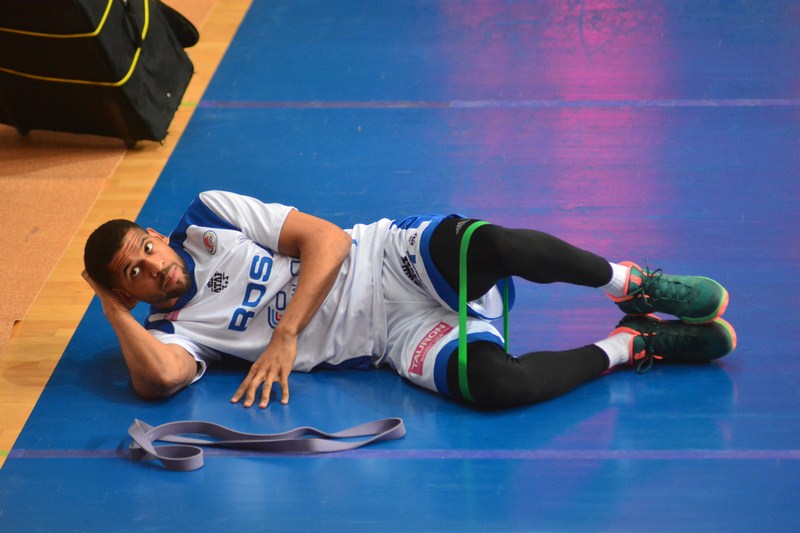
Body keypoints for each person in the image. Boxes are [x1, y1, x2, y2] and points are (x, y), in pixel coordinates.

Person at [82, 190, 736, 409]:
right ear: (125, 291)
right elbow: (160, 380)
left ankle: (630, 284)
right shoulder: (171, 330)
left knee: (494, 244)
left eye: (147, 246)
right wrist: (111, 311)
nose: (154, 265)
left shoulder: (207, 216)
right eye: (134, 273)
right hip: (388, 340)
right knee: (496, 387)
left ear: (156, 233)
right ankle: (631, 345)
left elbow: (327, 239)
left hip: (387, 261)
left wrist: (285, 335)